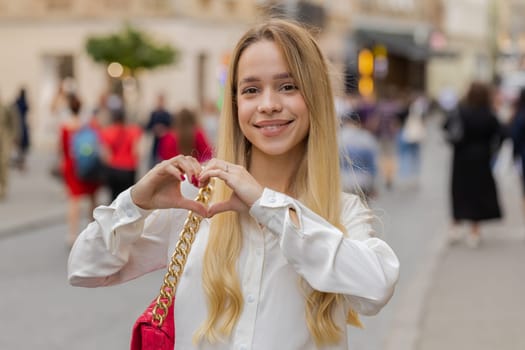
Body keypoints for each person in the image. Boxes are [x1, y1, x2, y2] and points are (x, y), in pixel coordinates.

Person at [68, 19, 399, 349]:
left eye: (288, 86)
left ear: (315, 97)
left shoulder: (341, 213)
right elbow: (85, 268)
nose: (268, 104)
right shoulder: (194, 203)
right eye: (251, 89)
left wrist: (267, 207)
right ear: (236, 103)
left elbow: (376, 289)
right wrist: (135, 203)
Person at [444, 81, 504, 248]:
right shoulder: (489, 114)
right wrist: (493, 150)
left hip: (461, 159)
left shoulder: (460, 111)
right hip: (481, 160)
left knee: (459, 191)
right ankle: (474, 231)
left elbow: (446, 127)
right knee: (477, 194)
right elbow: (502, 133)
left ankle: (455, 227)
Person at [59, 94, 99, 248]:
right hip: (88, 164)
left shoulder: (66, 127)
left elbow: (62, 149)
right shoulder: (89, 125)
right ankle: (94, 231)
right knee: (92, 198)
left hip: (72, 164)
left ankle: (72, 234)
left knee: (74, 199)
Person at [100, 107, 143, 201]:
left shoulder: (107, 132)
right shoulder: (134, 131)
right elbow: (136, 151)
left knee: (113, 198)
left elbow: (106, 155)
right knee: (128, 199)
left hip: (114, 168)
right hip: (129, 169)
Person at [339, 110, 379, 200]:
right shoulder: (367, 138)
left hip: (342, 180)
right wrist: (373, 186)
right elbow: (372, 165)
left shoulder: (336, 138)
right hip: (362, 180)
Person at [145, 93, 172, 168]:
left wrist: (164, 130)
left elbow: (172, 128)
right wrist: (155, 129)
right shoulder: (153, 114)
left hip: (165, 142)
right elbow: (148, 127)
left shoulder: (168, 115)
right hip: (155, 143)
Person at [0, 94, 19, 200]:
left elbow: (13, 123)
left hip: (4, 140)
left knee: (3, 163)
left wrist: (13, 137)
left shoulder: (5, 108)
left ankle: (3, 188)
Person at [13, 87, 30, 171]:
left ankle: (21, 162)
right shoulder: (22, 102)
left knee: (21, 146)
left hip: (20, 125)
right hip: (21, 125)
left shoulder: (18, 101)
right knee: (21, 146)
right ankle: (21, 163)